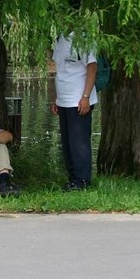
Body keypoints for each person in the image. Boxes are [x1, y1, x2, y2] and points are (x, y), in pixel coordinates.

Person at [51, 33, 98, 191]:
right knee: (67, 143)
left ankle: (82, 180)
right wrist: (56, 97)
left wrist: (85, 97)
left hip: (78, 99)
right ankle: (72, 179)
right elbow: (60, 70)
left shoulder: (83, 38)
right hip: (63, 98)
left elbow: (92, 68)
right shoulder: (59, 38)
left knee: (79, 143)